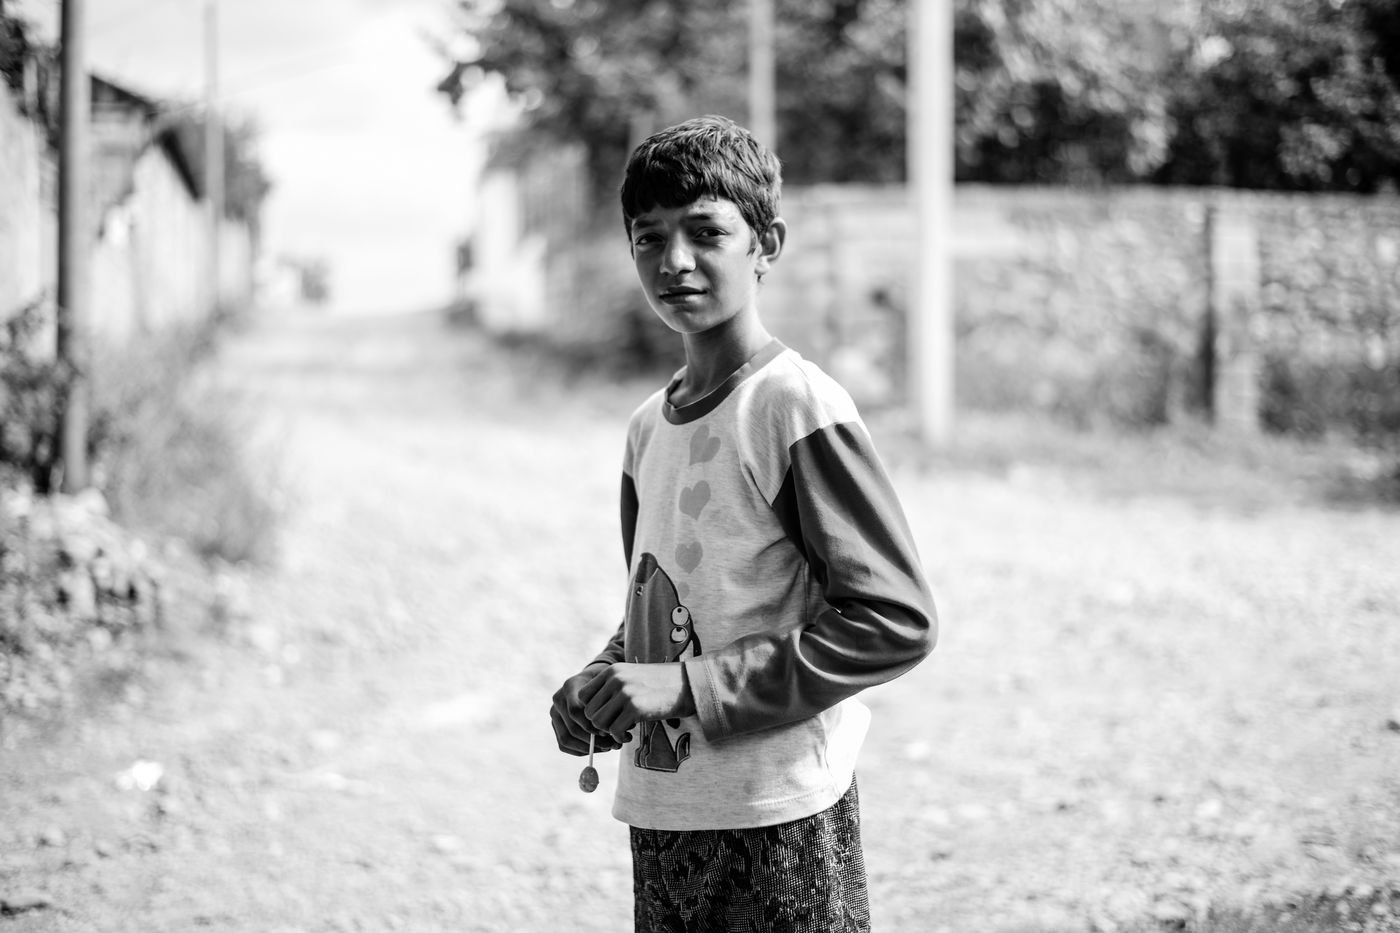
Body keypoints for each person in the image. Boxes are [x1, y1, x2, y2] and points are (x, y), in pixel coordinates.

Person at [549, 114, 938, 932]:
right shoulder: (647, 429)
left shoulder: (794, 405)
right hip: (666, 805)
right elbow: (665, 603)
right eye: (649, 238)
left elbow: (894, 620)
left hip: (778, 811)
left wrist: (688, 687)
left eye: (705, 232)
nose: (674, 260)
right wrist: (604, 680)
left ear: (767, 244)